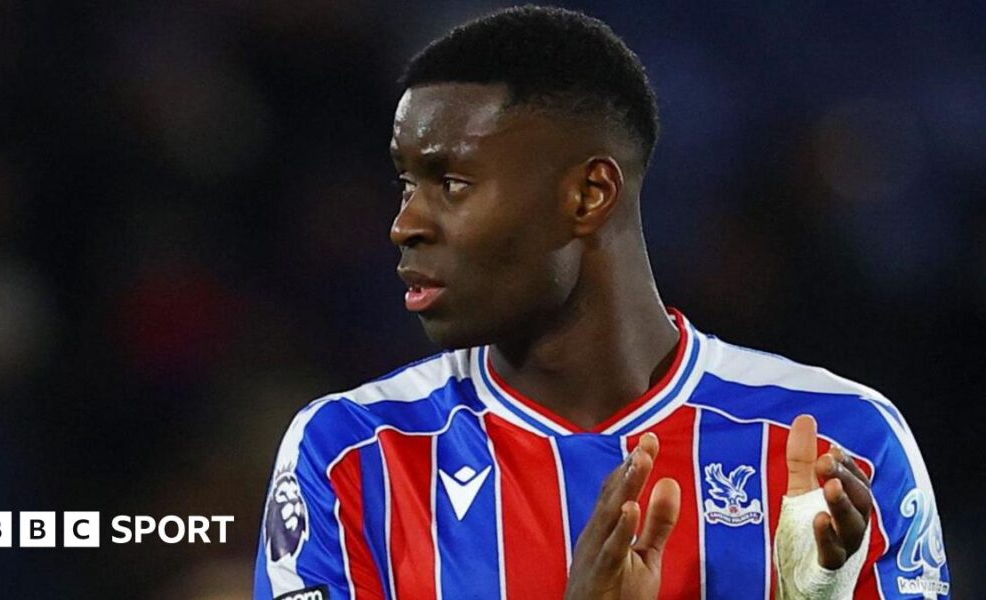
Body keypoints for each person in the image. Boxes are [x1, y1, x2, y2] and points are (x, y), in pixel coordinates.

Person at [254, 6, 949, 599]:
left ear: (589, 196)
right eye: (407, 182)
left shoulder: (843, 441)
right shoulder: (352, 455)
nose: (405, 223)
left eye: (452, 181)